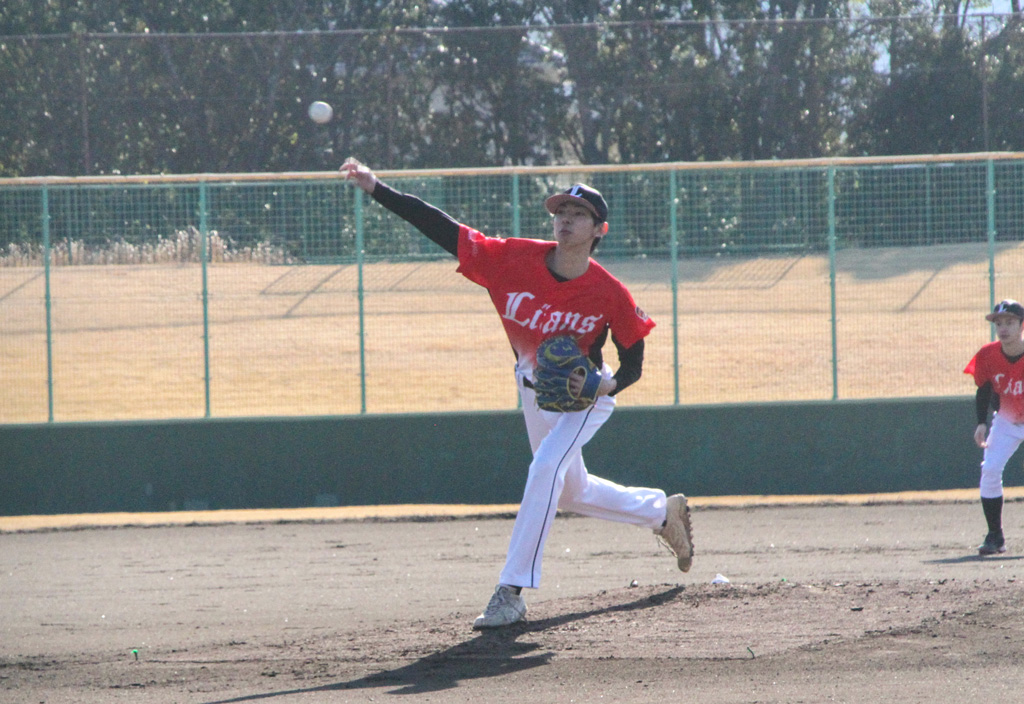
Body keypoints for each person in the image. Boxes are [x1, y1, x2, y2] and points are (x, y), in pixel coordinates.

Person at [340, 158, 694, 629]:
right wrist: (377, 188)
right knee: (570, 490)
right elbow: (441, 228)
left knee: (545, 466)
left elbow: (633, 365)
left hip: (586, 398)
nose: (565, 219)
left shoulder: (609, 293)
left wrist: (602, 385)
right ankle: (660, 511)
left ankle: (511, 590)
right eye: (560, 211)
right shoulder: (511, 260)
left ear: (598, 229)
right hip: (533, 390)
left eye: (578, 213)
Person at [964, 299, 1024, 556]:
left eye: (1010, 322)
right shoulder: (988, 354)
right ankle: (995, 536)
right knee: (989, 470)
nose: (1003, 328)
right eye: (999, 323)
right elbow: (984, 389)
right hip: (1007, 421)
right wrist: (981, 422)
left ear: (1022, 325)